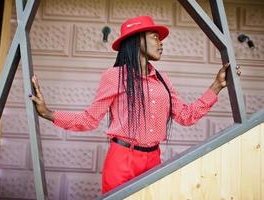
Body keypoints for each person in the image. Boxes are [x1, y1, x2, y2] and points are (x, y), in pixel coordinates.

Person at [29, 15, 237, 194]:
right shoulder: (115, 77)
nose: (161, 42)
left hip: (153, 160)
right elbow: (89, 119)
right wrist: (47, 113)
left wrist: (217, 85)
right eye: (155, 37)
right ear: (137, 40)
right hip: (122, 160)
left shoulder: (162, 79)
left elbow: (186, 115)